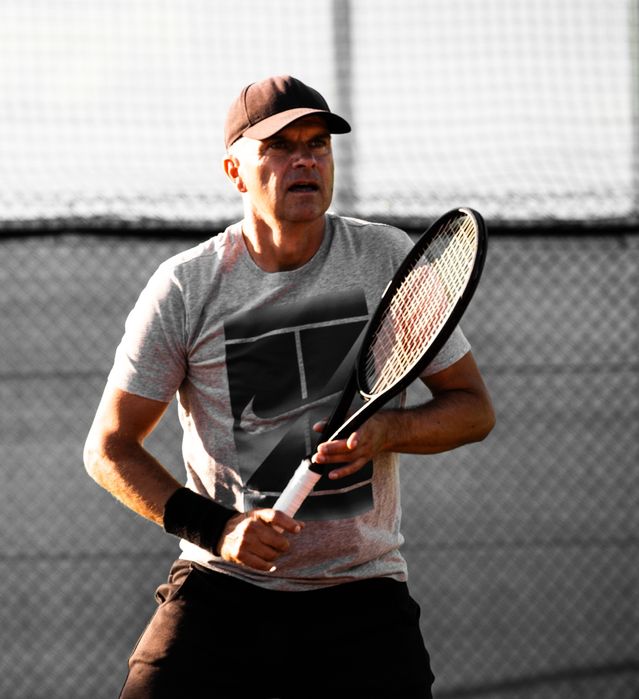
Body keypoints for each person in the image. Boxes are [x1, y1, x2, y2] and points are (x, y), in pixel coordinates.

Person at [84, 74, 495, 698]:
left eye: (318, 144)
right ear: (235, 171)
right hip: (221, 587)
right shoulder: (185, 287)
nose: (305, 160)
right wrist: (220, 530)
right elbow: (108, 448)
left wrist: (386, 430)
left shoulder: (385, 258)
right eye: (279, 146)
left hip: (361, 590)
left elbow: (473, 410)